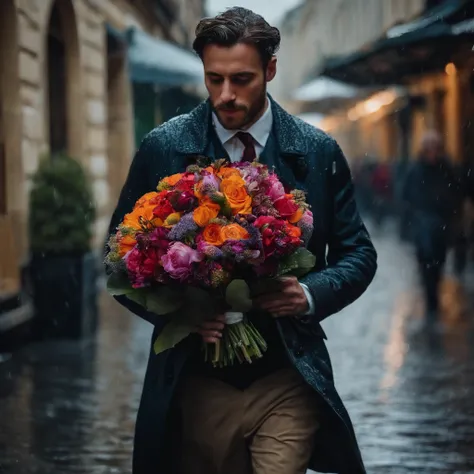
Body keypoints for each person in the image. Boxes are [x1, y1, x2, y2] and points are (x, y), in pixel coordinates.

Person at [106, 7, 377, 474]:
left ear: (271, 70)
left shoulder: (317, 151)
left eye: (242, 79)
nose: (226, 95)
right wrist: (181, 311)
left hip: (287, 375)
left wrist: (308, 294)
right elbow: (116, 259)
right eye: (214, 80)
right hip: (194, 382)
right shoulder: (163, 147)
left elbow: (359, 252)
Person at [402, 130, 467, 323]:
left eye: (435, 147)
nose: (432, 152)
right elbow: (406, 196)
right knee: (426, 264)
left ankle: (433, 298)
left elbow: (457, 193)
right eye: (428, 147)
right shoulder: (416, 170)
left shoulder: (447, 169)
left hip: (442, 227)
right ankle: (431, 302)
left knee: (438, 264)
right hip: (422, 226)